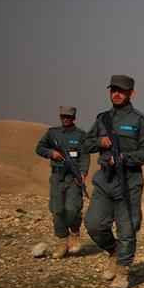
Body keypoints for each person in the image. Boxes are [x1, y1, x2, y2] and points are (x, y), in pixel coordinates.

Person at [83, 75, 144, 288]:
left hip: (129, 180)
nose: (116, 94)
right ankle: (114, 250)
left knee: (127, 228)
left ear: (131, 94)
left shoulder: (140, 121)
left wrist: (126, 158)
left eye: (121, 91)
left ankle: (123, 271)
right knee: (94, 223)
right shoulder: (102, 119)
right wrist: (99, 141)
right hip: (105, 179)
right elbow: (86, 143)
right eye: (113, 90)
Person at [35, 106, 90, 258]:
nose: (66, 118)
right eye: (63, 116)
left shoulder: (80, 135)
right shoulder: (52, 133)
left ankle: (75, 232)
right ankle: (62, 243)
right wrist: (51, 153)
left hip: (73, 178)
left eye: (69, 116)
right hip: (57, 176)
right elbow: (39, 148)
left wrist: (83, 173)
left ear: (74, 118)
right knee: (57, 210)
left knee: (72, 209)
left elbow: (85, 155)